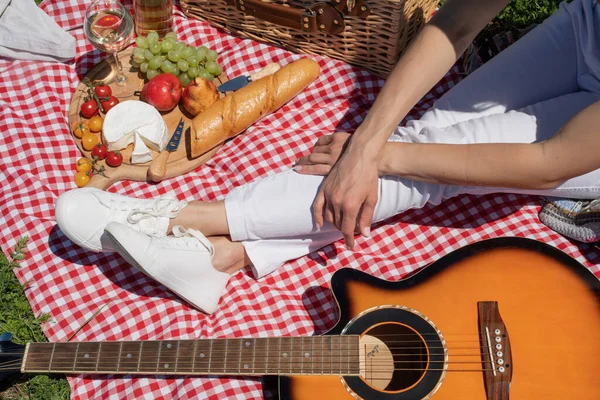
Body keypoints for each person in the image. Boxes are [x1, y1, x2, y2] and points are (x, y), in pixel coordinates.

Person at [56, 0, 600, 314]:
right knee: (417, 139)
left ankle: (184, 217)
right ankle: (221, 259)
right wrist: (367, 144)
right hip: (585, 33)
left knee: (423, 167)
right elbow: (457, 23)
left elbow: (553, 158)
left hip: (583, 155)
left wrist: (384, 158)